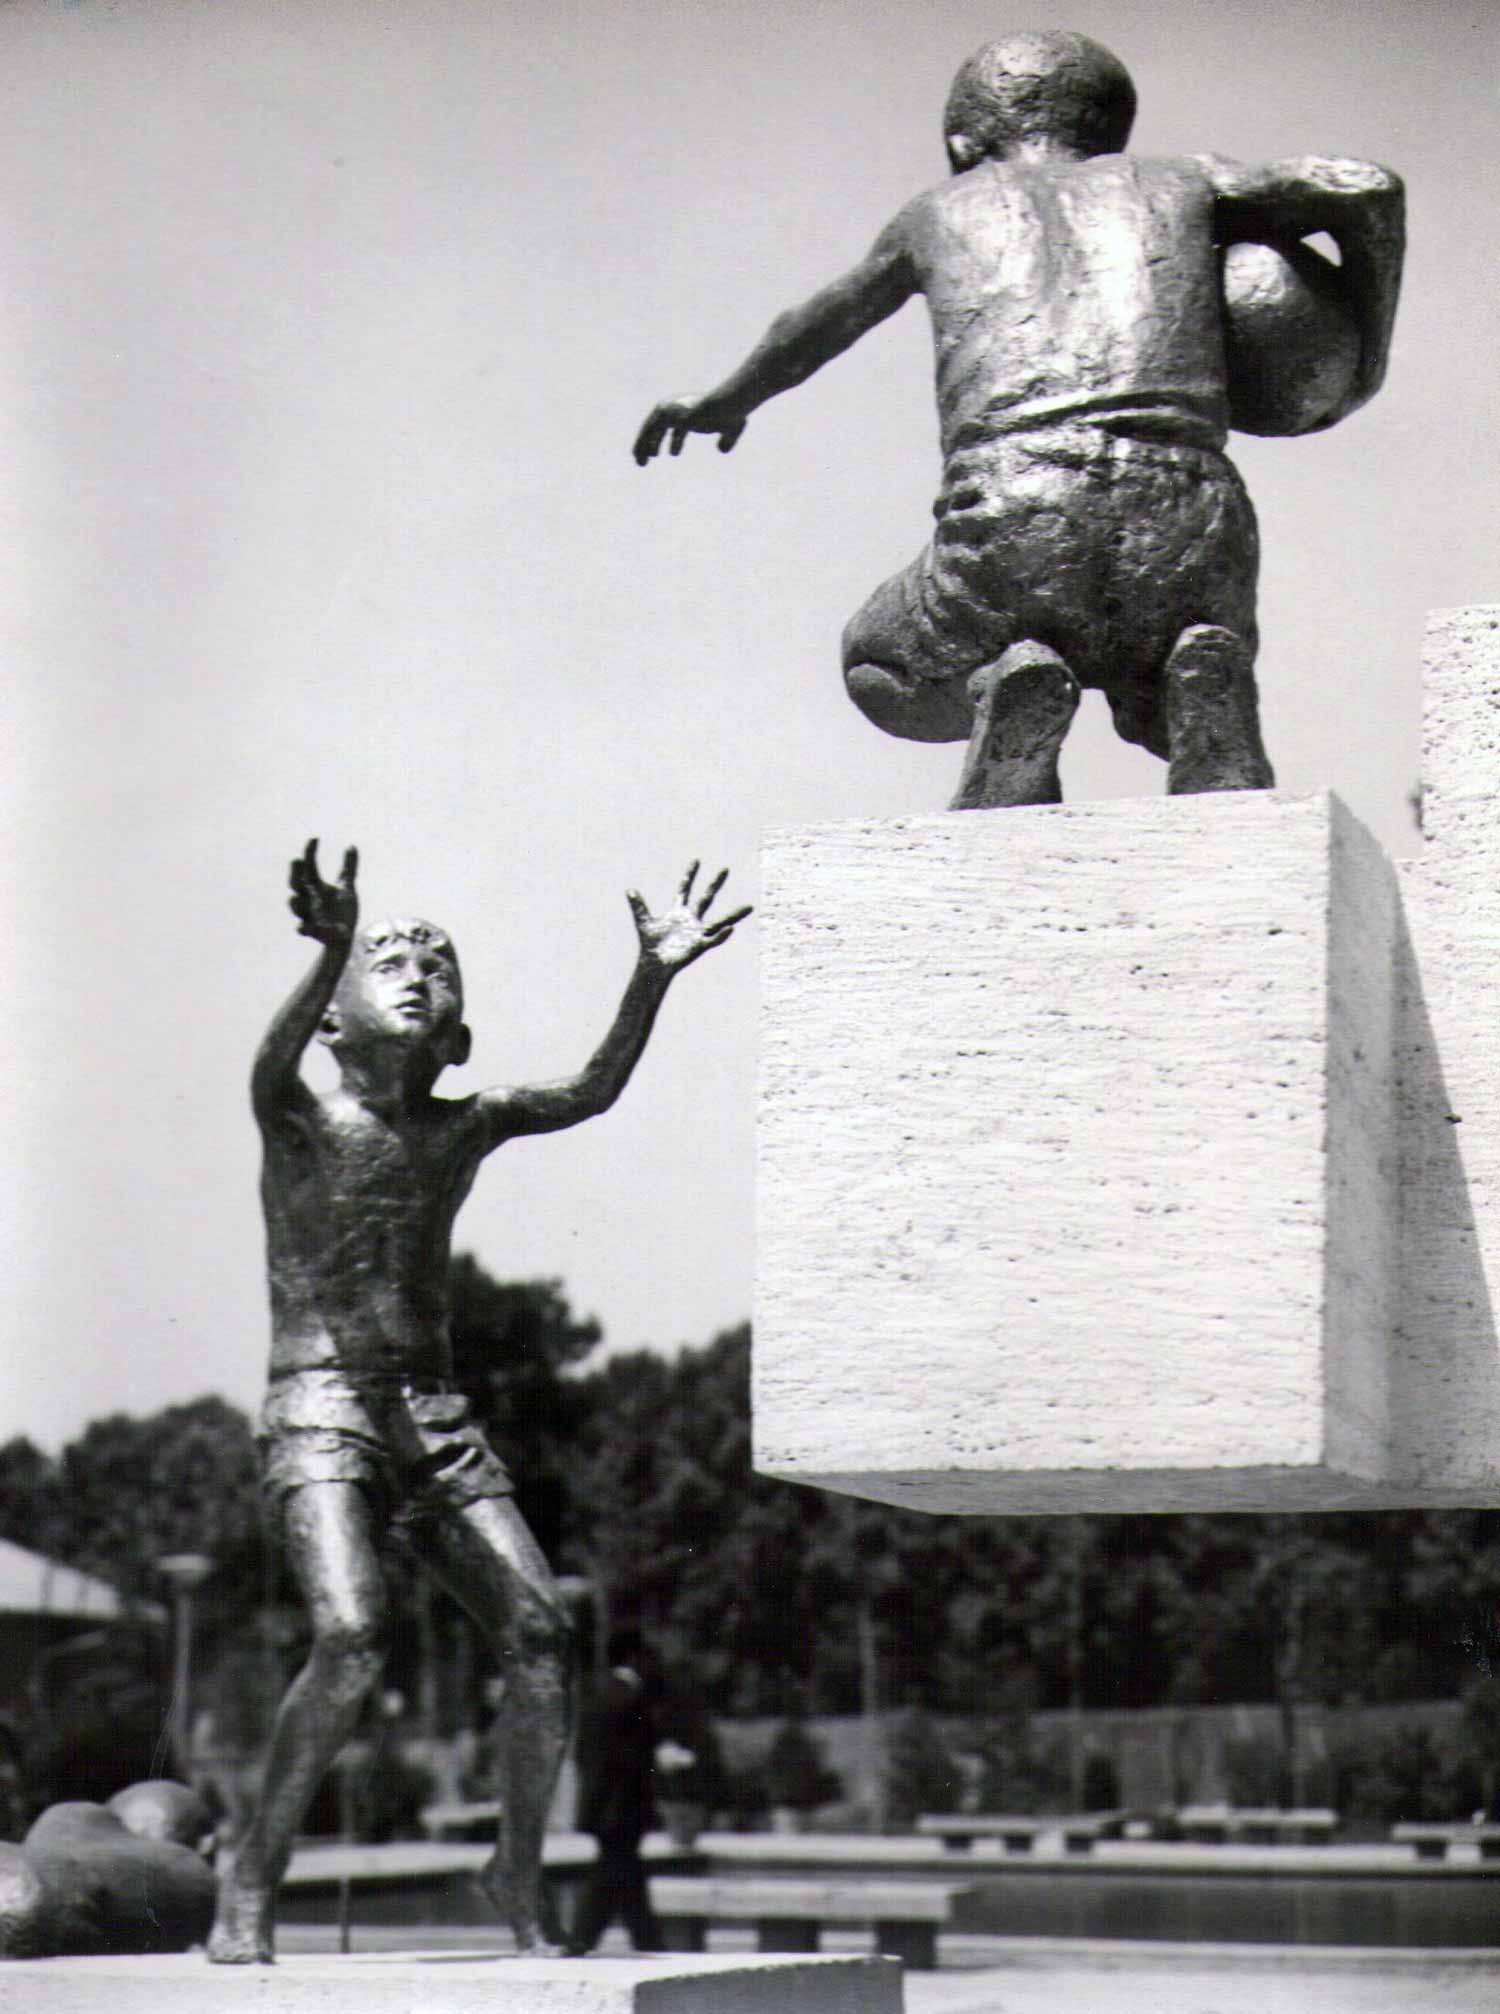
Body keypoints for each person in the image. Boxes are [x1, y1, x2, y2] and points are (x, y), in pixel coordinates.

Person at [207, 841, 748, 1963]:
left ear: (458, 1033)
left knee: (542, 1630)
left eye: (439, 967)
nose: (417, 973)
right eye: (389, 963)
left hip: (431, 1415)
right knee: (353, 1631)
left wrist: (652, 975)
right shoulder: (299, 1114)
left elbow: (591, 1090)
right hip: (320, 1405)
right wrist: (325, 952)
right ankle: (250, 1876)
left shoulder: (465, 1122)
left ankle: (511, 1869)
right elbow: (268, 1059)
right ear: (337, 1022)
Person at [636, 32, 1403, 808]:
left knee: (877, 663)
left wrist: (728, 398)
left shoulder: (939, 210)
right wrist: (1364, 369)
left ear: (962, 141)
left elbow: (820, 320)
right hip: (1190, 507)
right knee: (1187, 639)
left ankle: (1003, 682)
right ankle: (1194, 679)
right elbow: (1364, 187)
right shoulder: (1186, 179)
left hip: (1015, 505)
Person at [566, 1631, 661, 1956]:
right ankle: (581, 1941)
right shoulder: (630, 1700)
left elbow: (585, 1756)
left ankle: (647, 1941)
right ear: (634, 1658)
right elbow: (628, 1762)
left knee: (623, 1876)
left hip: (603, 1807)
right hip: (622, 1808)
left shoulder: (597, 1697)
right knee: (614, 1874)